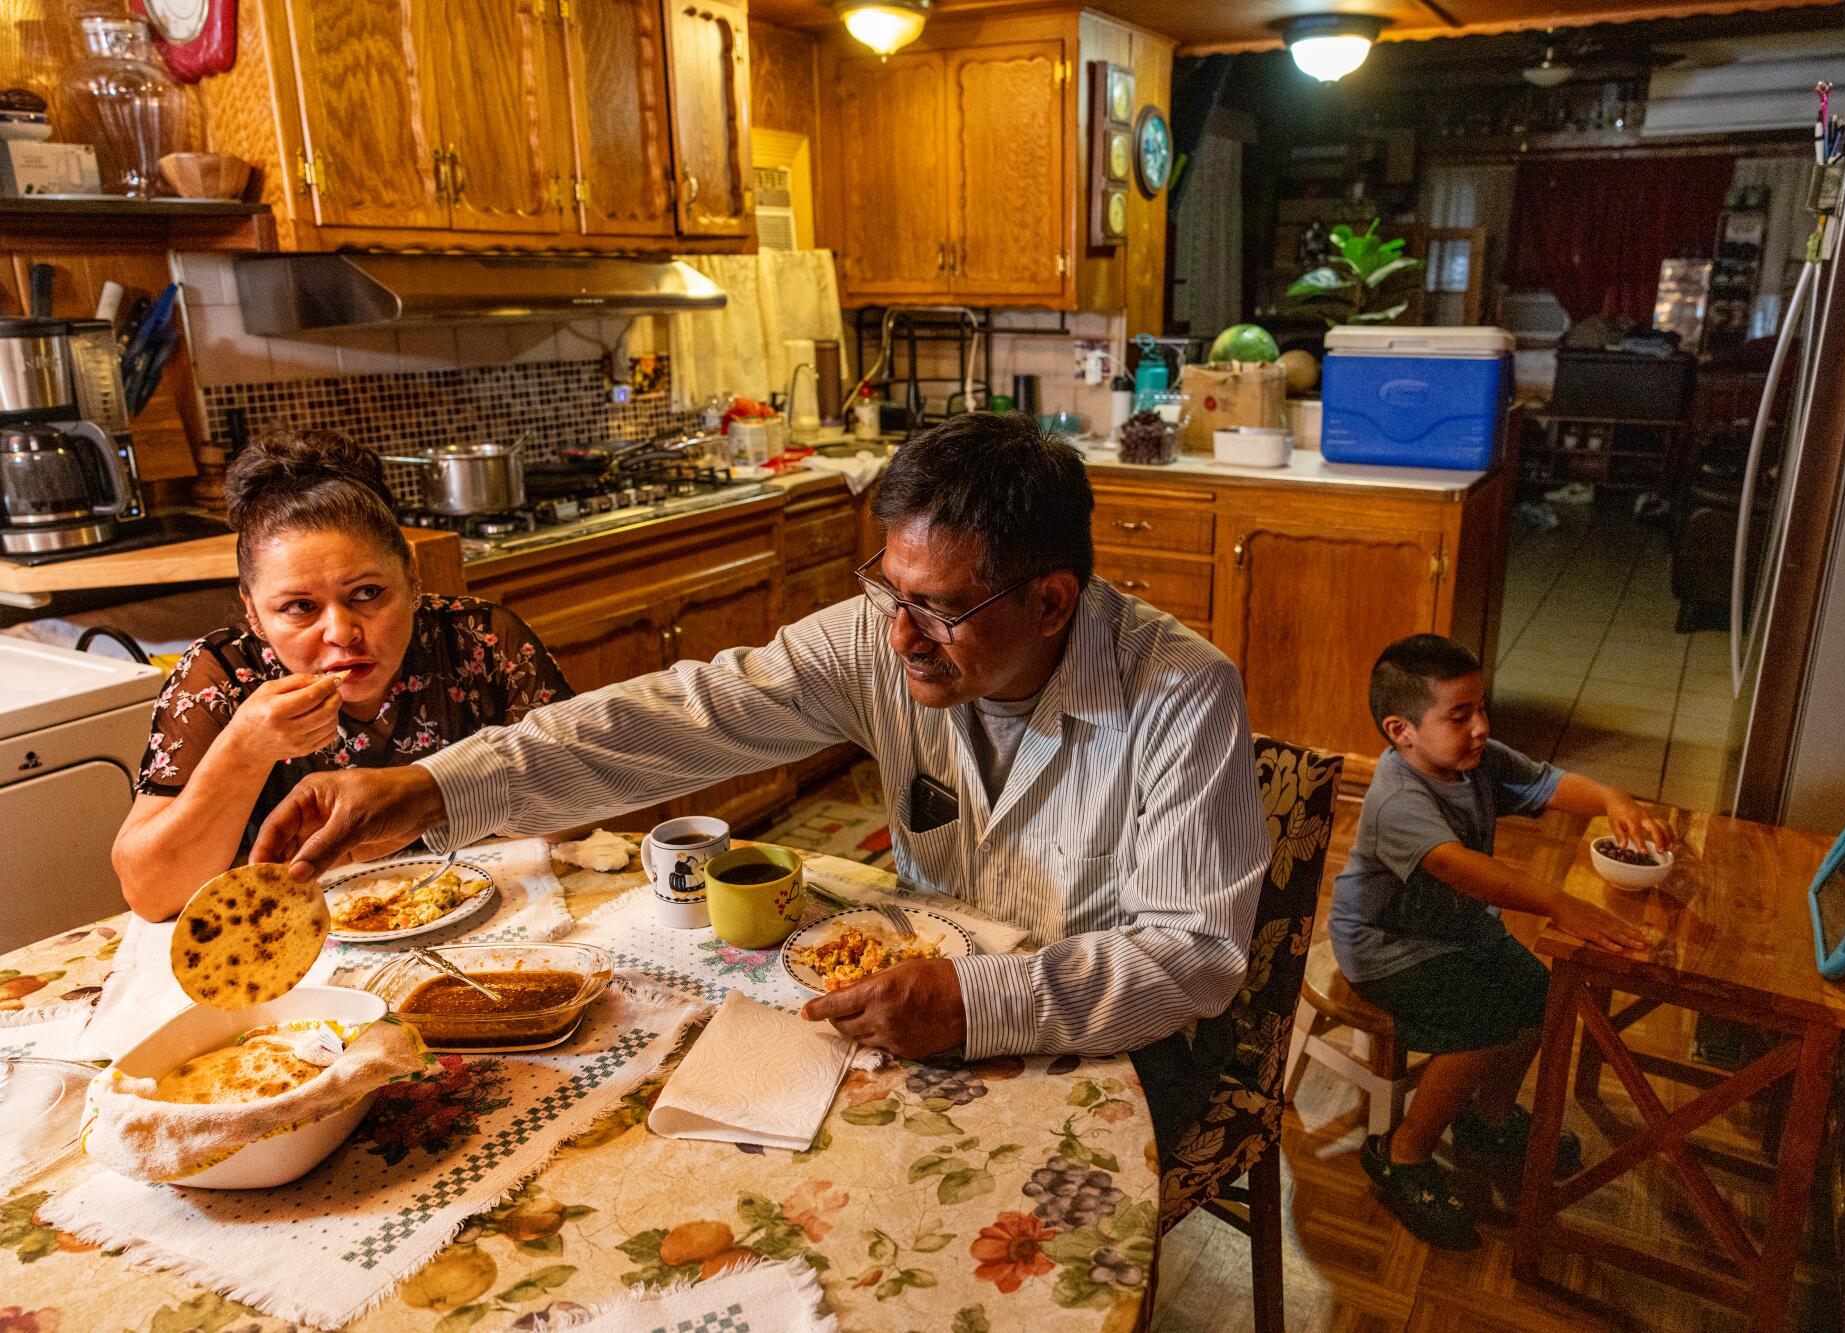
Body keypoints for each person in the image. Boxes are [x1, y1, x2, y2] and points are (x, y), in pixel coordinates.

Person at [250, 413, 1268, 1149]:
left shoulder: (1179, 693)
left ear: (1051, 601)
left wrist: (976, 1001)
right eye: (886, 588)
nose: (898, 636)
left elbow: (1194, 955)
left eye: (938, 607)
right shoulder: (891, 638)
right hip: (918, 1014)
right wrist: (427, 788)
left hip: (1117, 1052)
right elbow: (673, 713)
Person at [112, 430, 573, 921]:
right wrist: (243, 751)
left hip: (497, 918)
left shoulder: (480, 641)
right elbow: (151, 894)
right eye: (299, 607)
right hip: (302, 948)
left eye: (368, 593)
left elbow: (586, 802)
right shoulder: (222, 676)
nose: (341, 632)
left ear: (411, 576)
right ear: (252, 610)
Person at [1332, 633, 1670, 1250]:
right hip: (1387, 947)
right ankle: (1401, 1155)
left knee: (1543, 998)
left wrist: (1613, 798)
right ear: (1401, 730)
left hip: (1458, 929)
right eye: (1460, 716)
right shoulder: (1397, 798)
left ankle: (1485, 1119)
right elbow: (1461, 868)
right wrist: (1560, 904)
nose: (1481, 727)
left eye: (1481, 708)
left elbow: (1550, 784)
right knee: (1482, 1024)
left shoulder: (1473, 757)